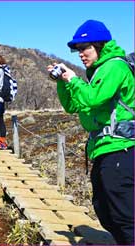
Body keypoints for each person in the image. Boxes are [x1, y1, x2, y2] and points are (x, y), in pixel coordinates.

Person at [47, 20, 134, 245]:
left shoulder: (114, 66)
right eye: (78, 50)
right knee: (104, 209)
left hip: (121, 149)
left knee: (124, 215)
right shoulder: (97, 73)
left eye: (85, 48)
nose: (81, 54)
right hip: (103, 150)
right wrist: (62, 83)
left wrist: (73, 79)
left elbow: (93, 98)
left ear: (100, 45)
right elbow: (74, 106)